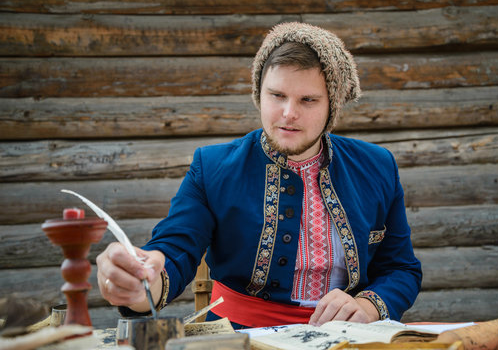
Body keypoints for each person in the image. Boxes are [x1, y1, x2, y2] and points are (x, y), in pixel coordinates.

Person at [96, 22, 422, 329]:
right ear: (259, 92)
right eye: (277, 95)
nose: (288, 113)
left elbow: (400, 268)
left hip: (347, 339)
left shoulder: (376, 166)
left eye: (308, 100)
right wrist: (141, 283)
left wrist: (367, 306)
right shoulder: (213, 166)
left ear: (331, 107)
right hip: (241, 336)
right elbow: (175, 248)